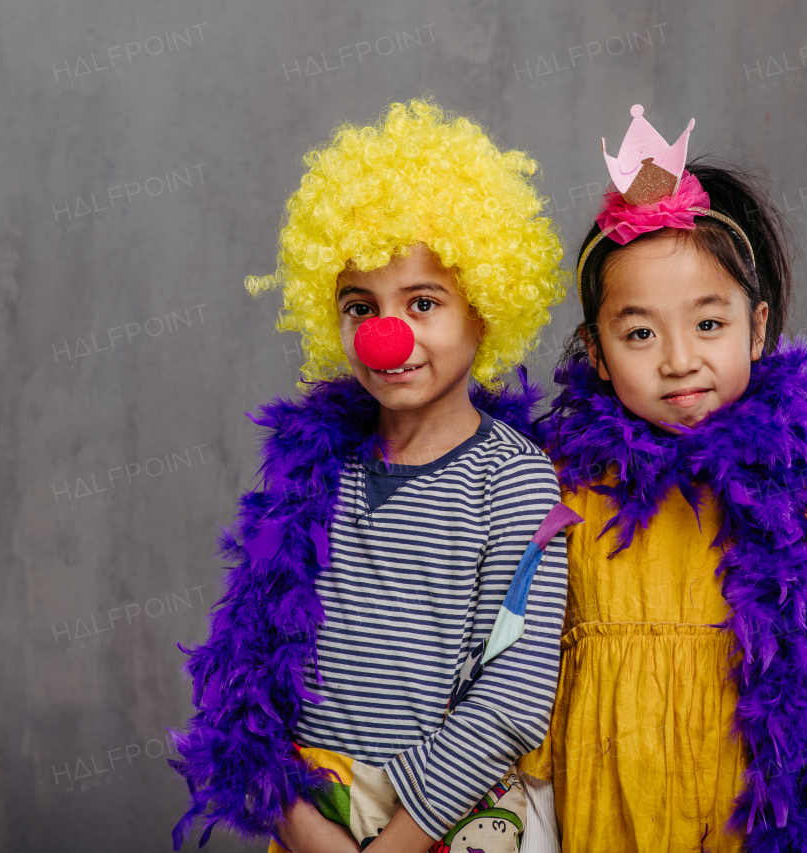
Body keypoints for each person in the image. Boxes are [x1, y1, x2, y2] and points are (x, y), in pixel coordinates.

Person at [516, 105, 807, 853]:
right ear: (595, 353)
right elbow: (525, 705)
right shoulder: (562, 501)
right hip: (605, 820)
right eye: (639, 332)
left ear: (756, 329)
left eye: (708, 324)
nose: (678, 359)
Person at [169, 98, 578, 853]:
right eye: (361, 306)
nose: (388, 337)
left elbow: (515, 699)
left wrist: (397, 841)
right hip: (313, 806)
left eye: (424, 302)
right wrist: (295, 818)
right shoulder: (314, 467)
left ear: (484, 310)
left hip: (449, 813)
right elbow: (251, 657)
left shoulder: (513, 480)